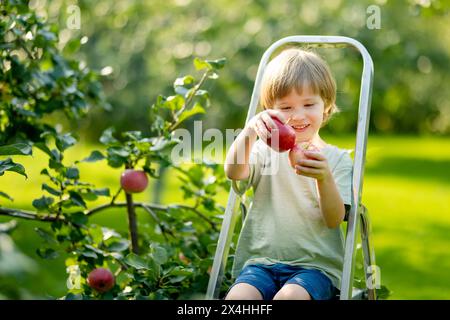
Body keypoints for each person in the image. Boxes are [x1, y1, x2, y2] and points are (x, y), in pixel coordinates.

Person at [224, 47, 353, 300]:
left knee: (289, 297)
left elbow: (334, 219)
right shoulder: (264, 152)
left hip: (315, 268)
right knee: (238, 299)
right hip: (261, 264)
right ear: (269, 112)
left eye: (308, 104)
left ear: (325, 106)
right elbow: (233, 171)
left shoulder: (336, 160)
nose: (298, 115)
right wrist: (250, 131)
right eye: (285, 107)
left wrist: (323, 178)